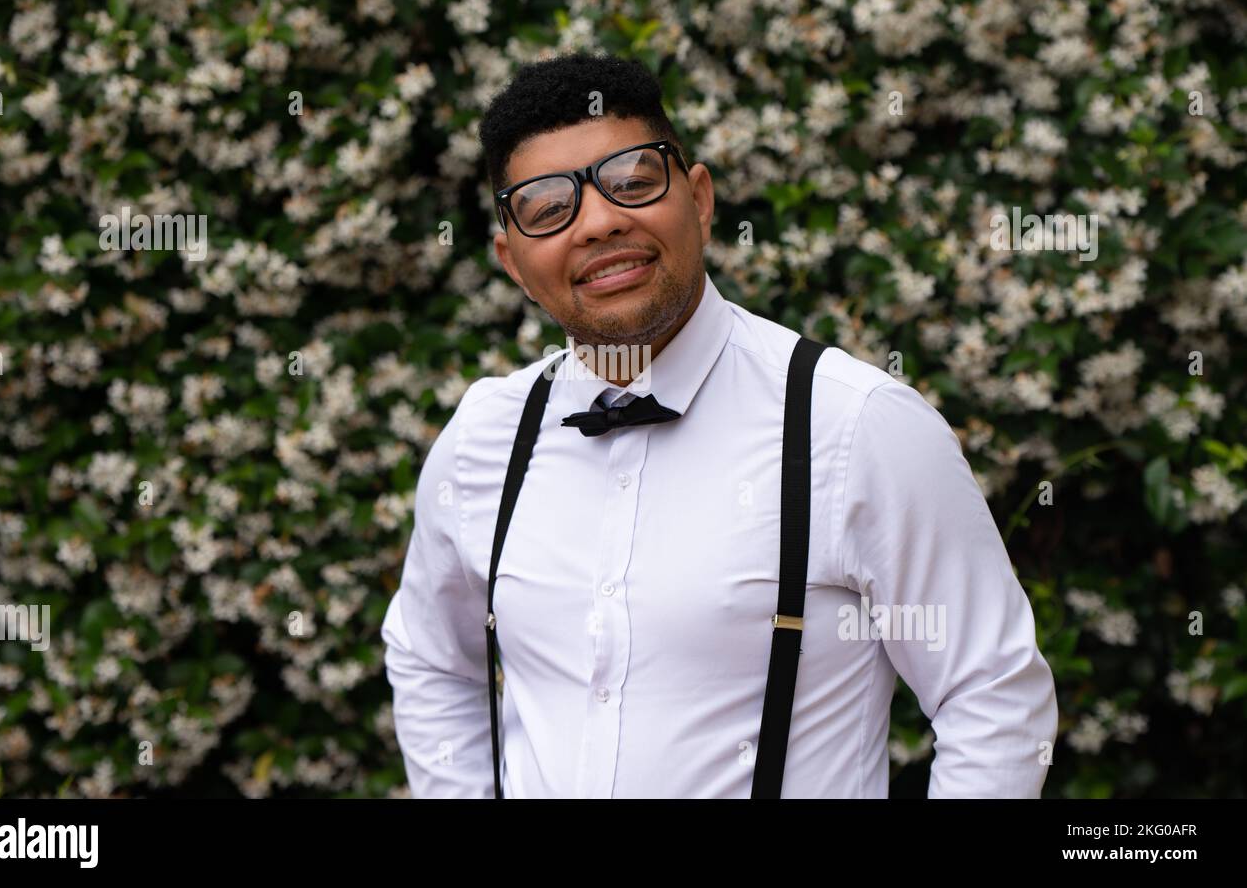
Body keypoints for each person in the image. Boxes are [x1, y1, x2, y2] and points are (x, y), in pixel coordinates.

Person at [379, 51, 1058, 798]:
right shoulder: (486, 436)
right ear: (513, 260)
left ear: (698, 198)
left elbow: (993, 695)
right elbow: (431, 658)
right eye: (548, 210)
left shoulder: (854, 425)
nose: (600, 222)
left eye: (632, 182)